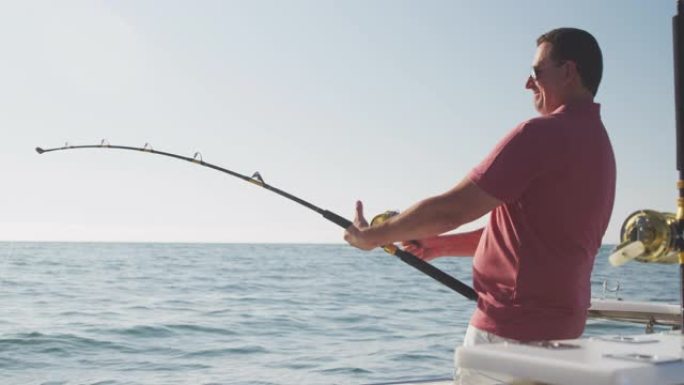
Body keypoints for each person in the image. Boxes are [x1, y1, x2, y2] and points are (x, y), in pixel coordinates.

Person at [344, 27, 615, 382]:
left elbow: (450, 209)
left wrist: (374, 236)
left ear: (569, 71)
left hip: (508, 337)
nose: (527, 83)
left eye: (536, 72)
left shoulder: (538, 135)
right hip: (564, 336)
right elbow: (528, 235)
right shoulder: (599, 147)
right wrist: (439, 246)